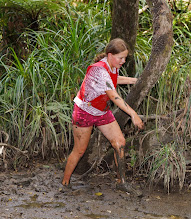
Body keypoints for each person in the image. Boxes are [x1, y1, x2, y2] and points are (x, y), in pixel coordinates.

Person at [62, 38, 144, 196]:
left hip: (101, 111)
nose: (123, 61)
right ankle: (65, 183)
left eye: (125, 58)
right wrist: (133, 114)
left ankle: (122, 182)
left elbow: (114, 81)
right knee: (79, 150)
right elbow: (113, 95)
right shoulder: (99, 69)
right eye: (121, 58)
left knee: (119, 143)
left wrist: (136, 81)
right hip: (84, 112)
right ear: (110, 55)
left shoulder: (113, 66)